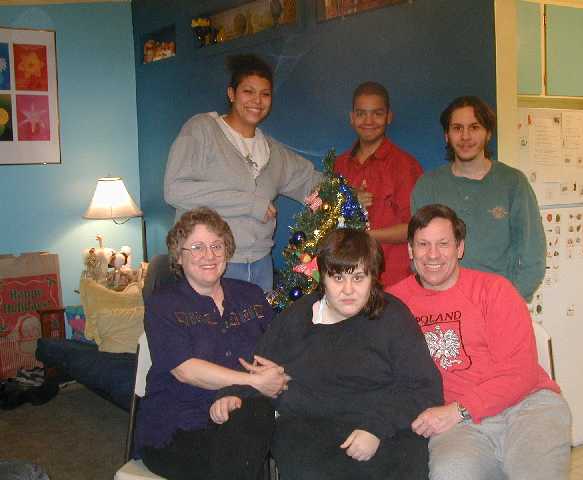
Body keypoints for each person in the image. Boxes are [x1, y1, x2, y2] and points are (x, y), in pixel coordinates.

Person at [212, 228, 443, 480]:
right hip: (311, 431)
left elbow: (424, 389)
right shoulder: (298, 316)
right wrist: (232, 394)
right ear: (322, 278)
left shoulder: (393, 317)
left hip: (383, 429)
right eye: (337, 278)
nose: (348, 290)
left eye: (358, 278)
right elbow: (259, 367)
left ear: (373, 277)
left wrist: (376, 429)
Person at [387, 204, 571, 480]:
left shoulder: (494, 290)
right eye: (423, 244)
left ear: (460, 248)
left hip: (526, 406)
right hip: (459, 426)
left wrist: (459, 409)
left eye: (443, 244)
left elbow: (521, 373)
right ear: (411, 250)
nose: (433, 254)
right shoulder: (393, 303)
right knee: (450, 474)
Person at [133, 207, 289, 480]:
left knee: (257, 418)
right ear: (179, 256)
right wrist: (252, 383)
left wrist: (239, 393)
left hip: (243, 413)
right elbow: (185, 370)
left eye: (217, 246)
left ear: (227, 252)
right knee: (241, 448)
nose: (209, 255)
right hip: (178, 426)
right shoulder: (163, 304)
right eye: (197, 247)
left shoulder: (251, 295)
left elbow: (278, 350)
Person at [164, 54, 323, 291]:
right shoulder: (202, 130)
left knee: (260, 318)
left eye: (265, 94)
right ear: (232, 94)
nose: (257, 100)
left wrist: (350, 193)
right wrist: (250, 204)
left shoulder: (272, 151)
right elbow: (175, 190)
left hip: (261, 267)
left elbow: (310, 182)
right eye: (248, 91)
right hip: (211, 265)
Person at [411, 96, 545, 301]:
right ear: (447, 135)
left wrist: (508, 303)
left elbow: (533, 257)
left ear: (488, 133)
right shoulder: (427, 186)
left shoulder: (513, 183)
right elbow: (419, 256)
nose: (465, 136)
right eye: (457, 128)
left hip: (498, 303)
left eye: (474, 127)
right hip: (445, 305)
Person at [335, 81, 423, 286]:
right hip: (345, 281)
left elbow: (415, 228)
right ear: (351, 117)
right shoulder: (339, 165)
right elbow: (323, 219)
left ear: (389, 117)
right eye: (361, 113)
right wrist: (349, 200)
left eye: (377, 113)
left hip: (392, 280)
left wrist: (366, 236)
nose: (368, 121)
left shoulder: (406, 166)